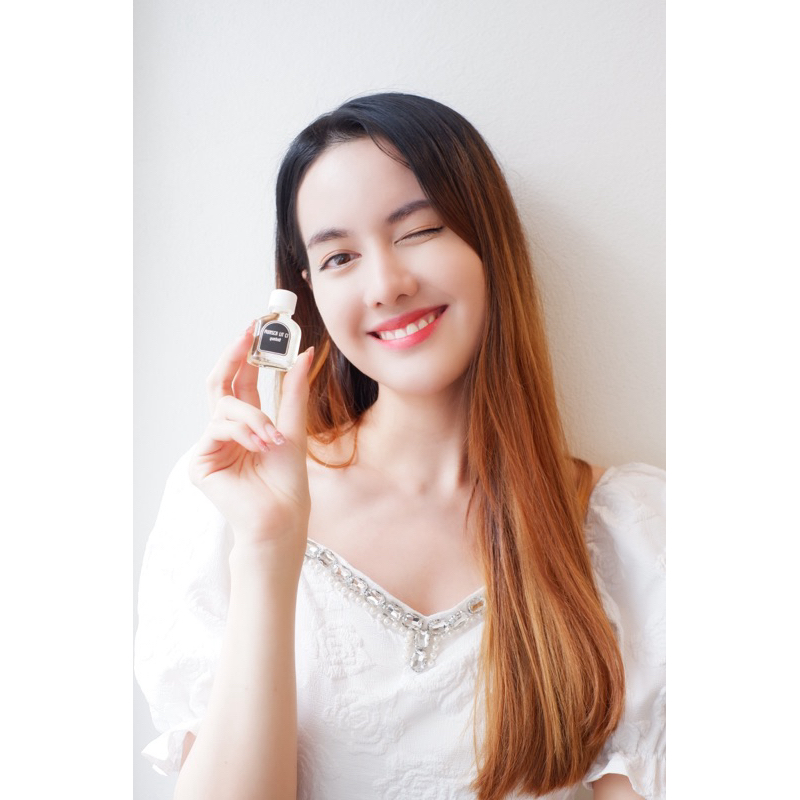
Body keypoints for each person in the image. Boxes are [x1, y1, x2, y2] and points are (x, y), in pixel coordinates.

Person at [135, 93, 665, 800]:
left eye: (418, 230)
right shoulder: (225, 504)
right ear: (308, 295)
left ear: (488, 241)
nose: (386, 285)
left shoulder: (627, 534)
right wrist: (268, 547)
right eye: (339, 257)